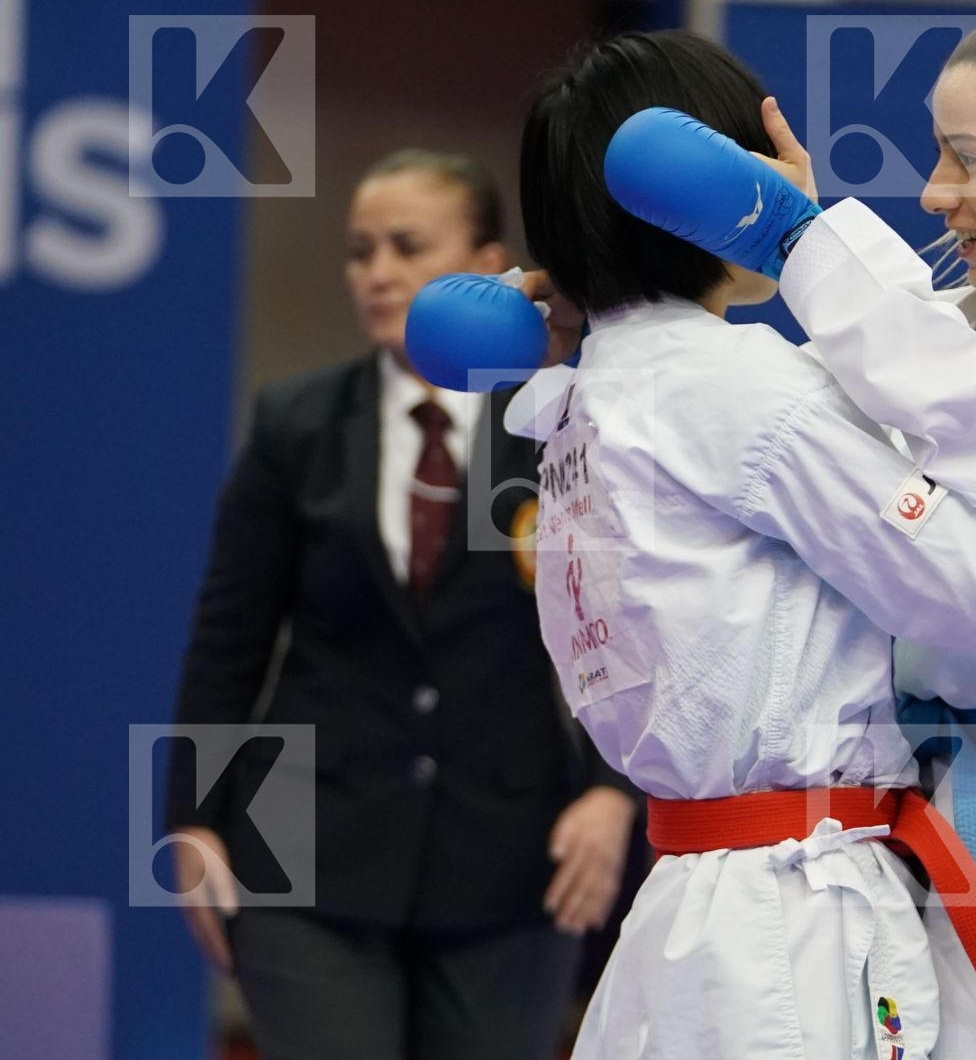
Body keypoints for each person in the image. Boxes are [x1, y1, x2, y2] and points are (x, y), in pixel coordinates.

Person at [504, 28, 976, 1060]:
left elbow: (914, 383)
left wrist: (779, 241)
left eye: (965, 157)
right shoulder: (755, 382)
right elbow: (912, 459)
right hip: (859, 854)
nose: (937, 194)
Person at [166, 150, 639, 1060]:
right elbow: (229, 637)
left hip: (514, 859)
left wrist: (614, 796)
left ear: (487, 262)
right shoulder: (295, 424)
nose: (378, 272)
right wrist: (192, 817)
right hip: (301, 851)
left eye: (407, 246)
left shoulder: (560, 425)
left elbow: (624, 631)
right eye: (358, 251)